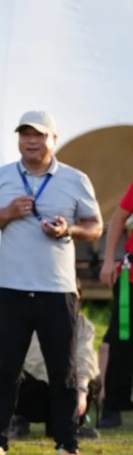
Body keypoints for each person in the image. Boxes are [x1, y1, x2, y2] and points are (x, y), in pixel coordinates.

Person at [0, 110, 102, 455]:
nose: (31, 141)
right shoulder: (0, 177)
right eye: (25, 134)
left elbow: (94, 226)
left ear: (53, 139)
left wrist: (68, 230)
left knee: (63, 370)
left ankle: (67, 444)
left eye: (39, 135)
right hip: (12, 288)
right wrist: (7, 213)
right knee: (5, 370)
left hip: (58, 289)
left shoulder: (75, 179)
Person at [8, 290, 102, 441]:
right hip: (37, 387)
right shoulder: (32, 320)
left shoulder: (84, 325)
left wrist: (81, 390)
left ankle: (70, 424)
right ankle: (19, 419)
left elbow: (85, 358)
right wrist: (61, 380)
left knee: (93, 379)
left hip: (65, 386)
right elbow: (34, 363)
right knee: (22, 377)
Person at [97, 180, 133, 428]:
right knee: (122, 341)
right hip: (131, 279)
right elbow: (118, 219)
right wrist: (109, 260)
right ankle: (112, 406)